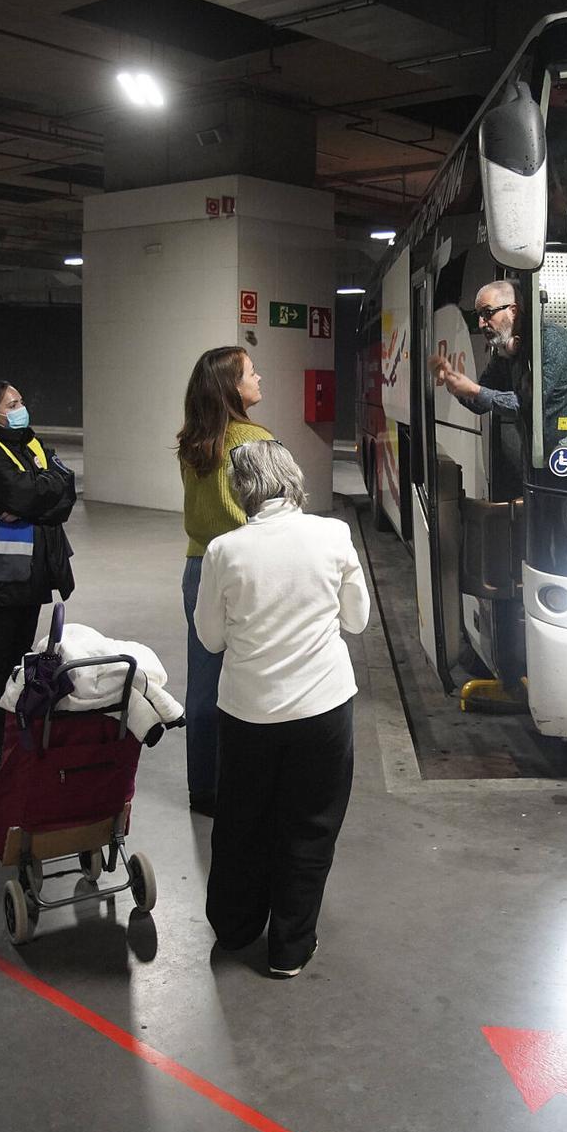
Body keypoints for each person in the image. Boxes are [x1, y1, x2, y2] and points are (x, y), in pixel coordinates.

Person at [195, 440, 370, 977]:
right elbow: (357, 620)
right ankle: (290, 948)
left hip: (248, 713)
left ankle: (236, 927)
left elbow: (210, 638)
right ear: (292, 479)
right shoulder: (333, 535)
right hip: (323, 708)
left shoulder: (224, 551)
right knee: (310, 826)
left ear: (240, 490)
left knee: (241, 823)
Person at [0, 380, 76, 766]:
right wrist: (35, 495)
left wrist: (32, 499)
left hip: (28, 573)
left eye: (22, 399)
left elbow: (64, 487)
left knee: (20, 659)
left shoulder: (27, 441)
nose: (22, 407)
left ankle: (12, 730)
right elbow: (27, 492)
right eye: (13, 403)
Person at [177, 345, 272, 816]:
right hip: (250, 568)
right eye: (252, 372)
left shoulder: (194, 439)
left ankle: (204, 789)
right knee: (253, 678)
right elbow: (278, 509)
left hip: (200, 568)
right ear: (232, 386)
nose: (260, 377)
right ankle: (248, 782)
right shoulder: (254, 440)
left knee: (204, 679)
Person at [429, 278, 567, 443]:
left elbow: (524, 405)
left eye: (487, 313)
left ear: (513, 311)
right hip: (546, 455)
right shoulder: (505, 351)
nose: (482, 323)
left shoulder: (549, 341)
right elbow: (481, 403)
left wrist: (474, 390)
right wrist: (455, 383)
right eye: (479, 315)